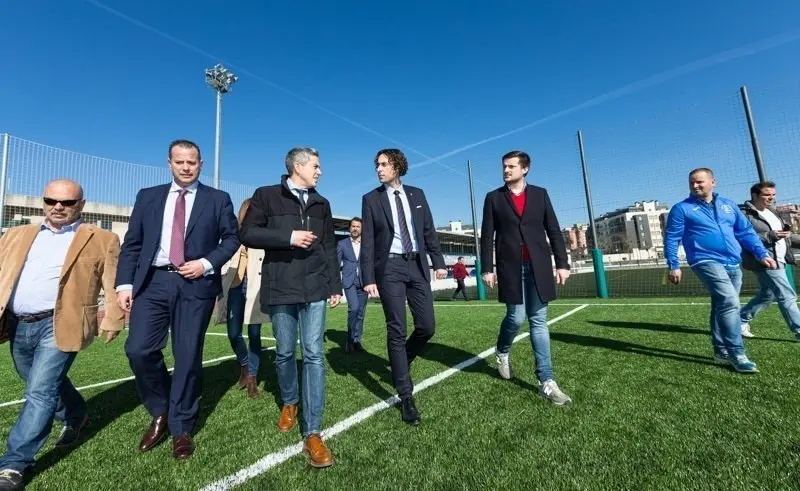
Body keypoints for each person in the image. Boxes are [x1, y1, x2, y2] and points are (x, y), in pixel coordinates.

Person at [115, 139, 240, 459]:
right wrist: (124, 285)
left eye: (192, 162)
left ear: (201, 164)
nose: (186, 167)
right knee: (138, 349)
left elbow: (232, 238)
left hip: (195, 285)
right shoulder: (148, 196)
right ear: (169, 163)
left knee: (186, 356)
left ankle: (181, 426)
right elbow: (132, 244)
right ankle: (161, 409)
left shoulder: (218, 199)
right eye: (180, 162)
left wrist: (206, 263)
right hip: (152, 283)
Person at [0, 179, 125, 490]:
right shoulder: (16, 234)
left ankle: (14, 464)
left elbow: (112, 282)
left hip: (61, 323)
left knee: (40, 392)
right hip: (18, 323)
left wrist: (114, 318)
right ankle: (76, 413)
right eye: (51, 200)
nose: (58, 207)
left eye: (67, 203)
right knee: (37, 381)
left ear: (80, 205)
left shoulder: (102, 238)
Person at [239, 147, 341, 468]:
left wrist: (334, 285)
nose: (320, 171)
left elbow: (328, 246)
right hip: (280, 286)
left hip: (315, 287)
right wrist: (289, 236)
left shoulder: (322, 203)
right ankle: (290, 402)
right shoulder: (266, 196)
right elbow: (248, 233)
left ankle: (312, 431)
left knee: (313, 353)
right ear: (298, 166)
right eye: (316, 166)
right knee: (285, 352)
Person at [360, 148, 447, 425]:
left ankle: (403, 359)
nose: (379, 169)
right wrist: (368, 278)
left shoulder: (417, 195)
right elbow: (369, 242)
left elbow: (428, 231)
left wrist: (438, 261)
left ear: (397, 166)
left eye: (384, 164)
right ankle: (406, 394)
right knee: (396, 328)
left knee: (427, 326)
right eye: (377, 165)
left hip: (417, 265)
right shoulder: (371, 199)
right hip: (389, 268)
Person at [480, 151, 572, 406]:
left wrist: (562, 264)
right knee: (516, 317)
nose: (506, 170)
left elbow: (553, 229)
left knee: (539, 320)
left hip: (538, 266)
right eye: (504, 167)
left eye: (511, 166)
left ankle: (547, 380)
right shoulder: (493, 198)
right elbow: (487, 236)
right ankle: (502, 350)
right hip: (510, 267)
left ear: (525, 169)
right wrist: (487, 268)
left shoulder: (540, 194)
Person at [664, 168, 776, 373]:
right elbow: (672, 238)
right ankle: (737, 353)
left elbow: (745, 232)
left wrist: (762, 254)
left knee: (720, 305)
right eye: (692, 183)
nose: (696, 186)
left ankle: (720, 350)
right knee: (730, 302)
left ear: (713, 182)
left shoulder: (728, 205)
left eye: (700, 182)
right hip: (704, 260)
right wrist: (673, 265)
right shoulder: (682, 209)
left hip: (733, 262)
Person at [215, 198, 270, 398]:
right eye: (247, 212)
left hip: (256, 288)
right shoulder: (233, 235)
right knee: (233, 333)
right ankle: (245, 364)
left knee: (254, 333)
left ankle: (252, 379)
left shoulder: (262, 235)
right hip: (235, 288)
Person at [738, 181, 800, 339]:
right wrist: (770, 235)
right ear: (754, 195)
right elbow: (743, 238)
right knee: (787, 295)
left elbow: (786, 237)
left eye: (773, 194)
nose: (771, 198)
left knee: (768, 295)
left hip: (780, 259)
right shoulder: (745, 214)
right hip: (764, 260)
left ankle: (739, 321)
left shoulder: (772, 212)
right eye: (767, 195)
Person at [337, 217, 368, 353]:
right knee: (354, 308)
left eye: (358, 226)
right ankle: (349, 341)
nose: (355, 228)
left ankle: (357, 341)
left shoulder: (367, 244)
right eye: (353, 226)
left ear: (361, 229)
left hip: (364, 282)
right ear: (350, 228)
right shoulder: (342, 244)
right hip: (349, 281)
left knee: (361, 312)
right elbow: (336, 264)